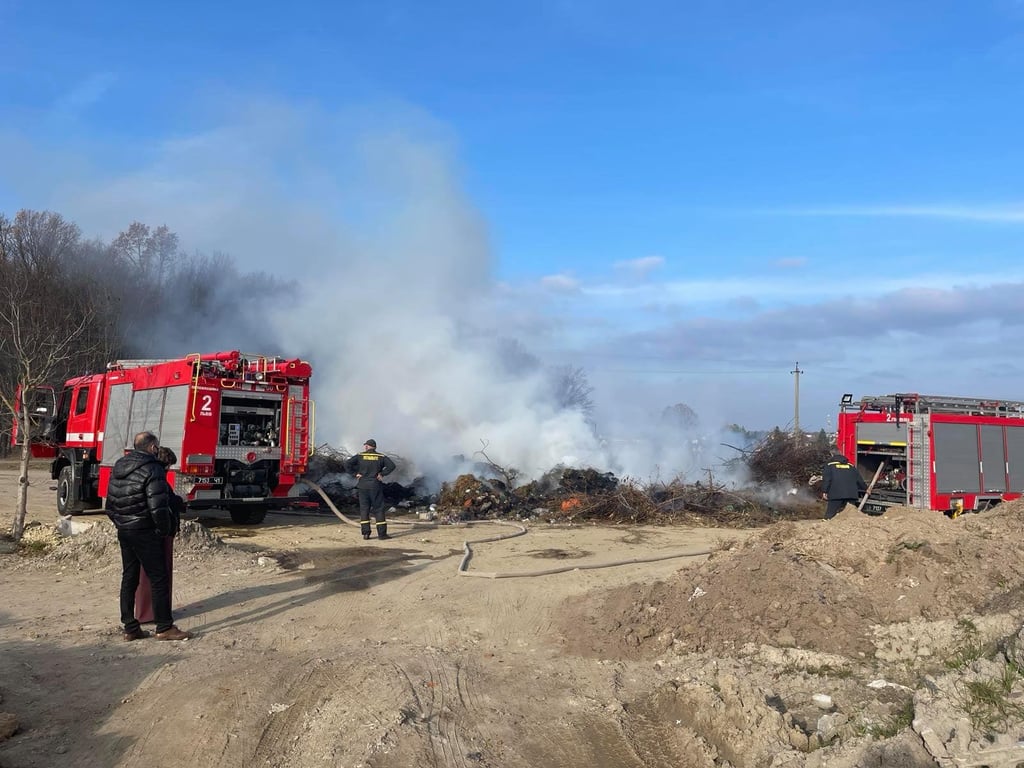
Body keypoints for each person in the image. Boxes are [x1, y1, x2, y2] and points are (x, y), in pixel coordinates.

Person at [106, 431, 191, 641]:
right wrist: (162, 531)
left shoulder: (119, 466)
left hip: (124, 531)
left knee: (129, 577)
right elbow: (158, 507)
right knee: (159, 578)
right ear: (153, 447)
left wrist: (121, 523)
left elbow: (110, 504)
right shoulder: (153, 469)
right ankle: (164, 627)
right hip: (145, 531)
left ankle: (130, 627)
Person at [134, 446, 185, 624]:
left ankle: (143, 613)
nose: (169, 469)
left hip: (141, 532)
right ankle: (157, 616)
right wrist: (165, 530)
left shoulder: (140, 476)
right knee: (158, 577)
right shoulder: (158, 479)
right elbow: (162, 506)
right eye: (169, 465)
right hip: (157, 534)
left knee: (141, 576)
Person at [345, 439, 397, 540]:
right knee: (379, 509)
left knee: (364, 509)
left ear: (368, 446)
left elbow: (347, 464)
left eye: (366, 445)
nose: (365, 447)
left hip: (363, 486)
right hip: (375, 486)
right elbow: (392, 466)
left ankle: (366, 533)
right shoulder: (381, 457)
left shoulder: (360, 456)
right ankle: (382, 534)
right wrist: (382, 474)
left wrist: (355, 474)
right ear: (375, 447)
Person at [821, 450, 868, 520]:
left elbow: (827, 480)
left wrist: (825, 491)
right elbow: (859, 480)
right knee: (849, 517)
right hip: (851, 495)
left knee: (829, 515)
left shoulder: (829, 466)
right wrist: (866, 489)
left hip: (836, 494)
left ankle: (824, 529)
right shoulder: (851, 466)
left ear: (832, 455)